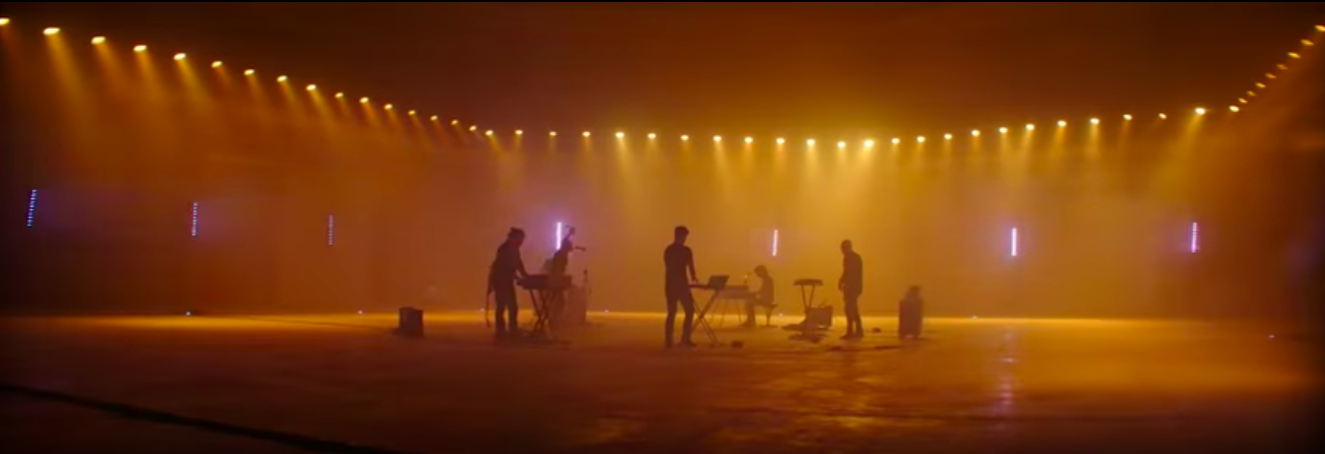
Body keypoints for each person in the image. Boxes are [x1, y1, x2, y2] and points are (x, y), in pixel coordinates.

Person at [488, 228, 529, 340]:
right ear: (514, 238)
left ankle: (509, 330)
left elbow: (518, 264)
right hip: (501, 281)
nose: (521, 242)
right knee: (504, 306)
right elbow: (504, 267)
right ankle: (503, 331)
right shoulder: (504, 249)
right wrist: (520, 277)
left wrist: (525, 276)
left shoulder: (513, 249)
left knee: (510, 306)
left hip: (506, 281)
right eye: (520, 239)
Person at [664, 225, 699, 348]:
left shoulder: (671, 250)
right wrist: (693, 277)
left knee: (679, 311)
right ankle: (678, 339)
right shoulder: (680, 251)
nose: (685, 238)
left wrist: (693, 276)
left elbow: (689, 265)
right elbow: (688, 266)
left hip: (674, 284)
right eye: (684, 236)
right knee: (679, 311)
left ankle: (677, 339)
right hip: (677, 284)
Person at [839, 240, 864, 339]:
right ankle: (858, 330)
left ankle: (851, 331)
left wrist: (846, 283)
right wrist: (841, 281)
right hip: (853, 287)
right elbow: (846, 272)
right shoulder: (852, 257)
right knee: (853, 308)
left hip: (852, 287)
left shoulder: (852, 258)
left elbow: (852, 273)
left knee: (849, 309)